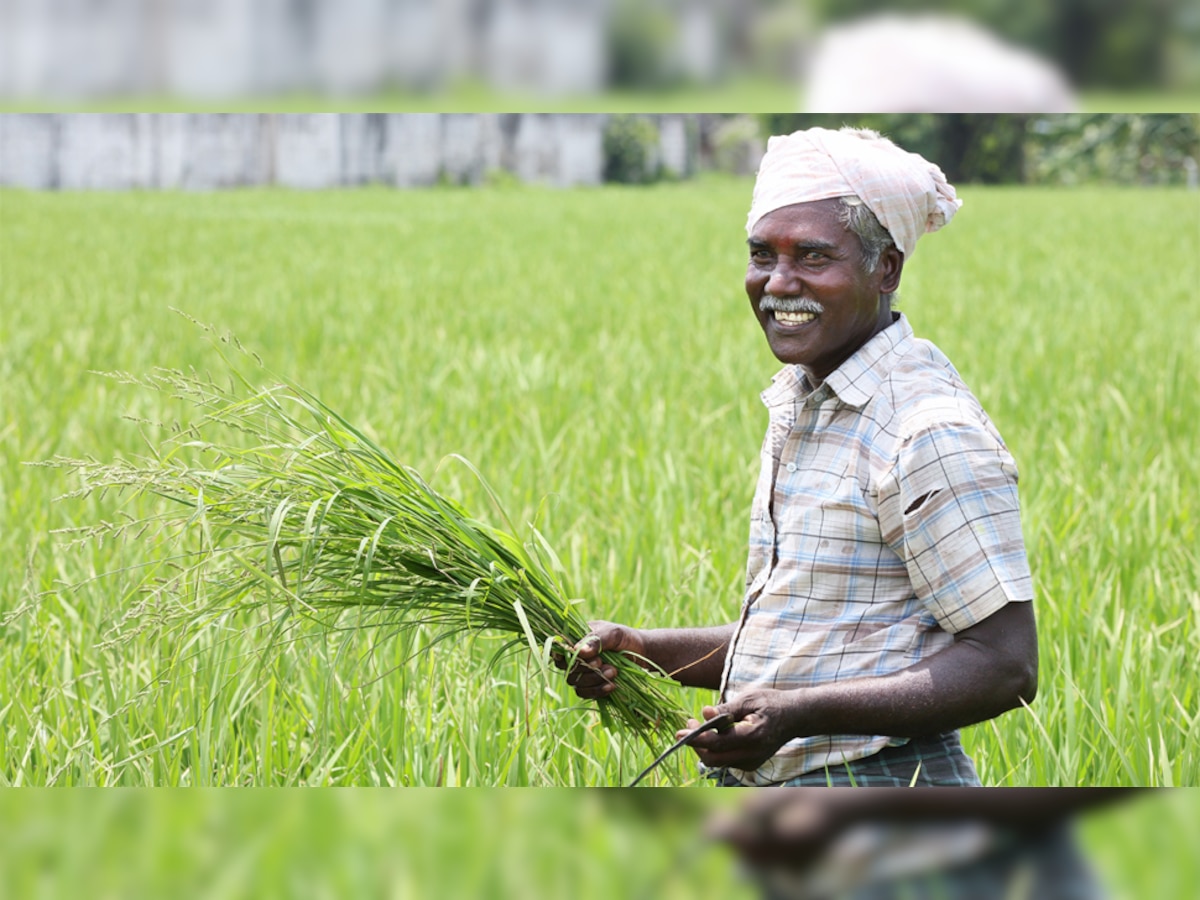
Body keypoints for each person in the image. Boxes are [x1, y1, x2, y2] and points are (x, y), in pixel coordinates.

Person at [566, 126, 1038, 786]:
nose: (778, 282)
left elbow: (1004, 665)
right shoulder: (809, 402)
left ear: (887, 269)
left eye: (813, 258)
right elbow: (807, 640)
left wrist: (796, 716)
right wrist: (646, 651)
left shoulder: (924, 429)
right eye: (763, 255)